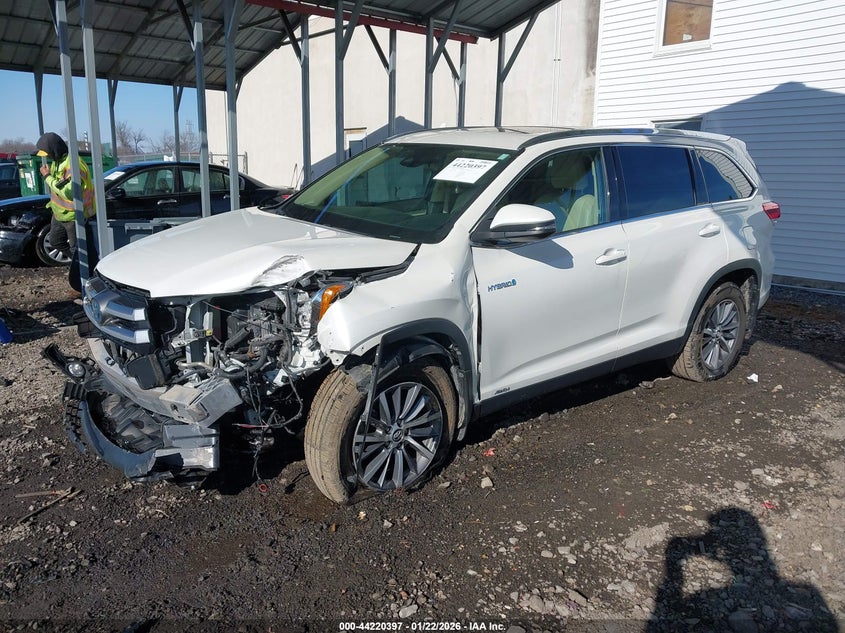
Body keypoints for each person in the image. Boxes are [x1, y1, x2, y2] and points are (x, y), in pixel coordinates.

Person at [36, 132, 96, 265]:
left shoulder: (74, 165)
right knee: (55, 241)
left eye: (48, 153)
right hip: (59, 214)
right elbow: (58, 185)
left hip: (74, 215)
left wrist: (47, 177)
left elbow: (68, 193)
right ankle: (77, 265)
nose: (47, 157)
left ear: (55, 150)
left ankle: (85, 269)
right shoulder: (57, 161)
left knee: (78, 249)